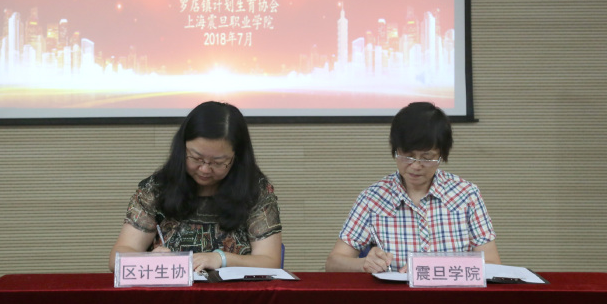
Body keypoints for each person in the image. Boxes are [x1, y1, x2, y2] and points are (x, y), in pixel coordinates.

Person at [325, 102, 500, 273]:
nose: (415, 166)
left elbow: (493, 264)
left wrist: (433, 268)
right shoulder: (372, 198)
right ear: (395, 150)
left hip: (454, 292)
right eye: (407, 156)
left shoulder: (466, 194)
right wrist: (364, 263)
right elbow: (333, 263)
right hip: (393, 293)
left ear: (442, 155)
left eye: (427, 157)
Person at [109, 101, 282, 273]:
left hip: (233, 291)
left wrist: (221, 259)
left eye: (218, 162)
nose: (205, 169)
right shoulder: (156, 189)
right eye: (196, 158)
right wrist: (147, 260)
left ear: (237, 157)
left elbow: (270, 261)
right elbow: (117, 259)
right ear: (182, 149)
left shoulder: (255, 191)